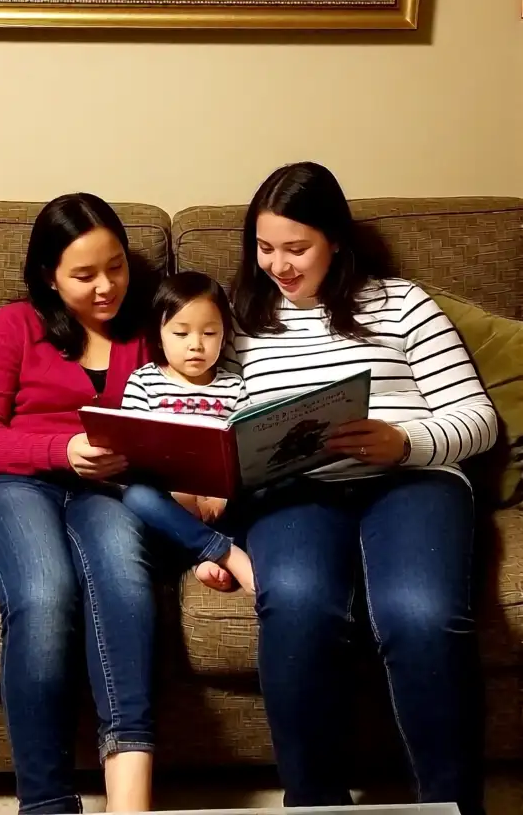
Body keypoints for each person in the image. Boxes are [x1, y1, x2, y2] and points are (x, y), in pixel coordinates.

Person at [224, 162, 497, 815]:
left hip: (411, 480)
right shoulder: (241, 320)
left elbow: (478, 418)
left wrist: (404, 442)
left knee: (419, 614)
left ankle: (453, 804)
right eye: (265, 248)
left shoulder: (402, 303)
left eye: (297, 249)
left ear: (336, 241)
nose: (279, 266)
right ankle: (315, 803)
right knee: (298, 602)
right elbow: (217, 410)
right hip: (296, 491)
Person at [0, 193, 156, 815]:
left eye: (116, 267)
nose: (106, 287)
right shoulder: (13, 325)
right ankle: (45, 804)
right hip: (12, 482)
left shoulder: (151, 328)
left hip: (108, 490)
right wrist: (61, 449)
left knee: (124, 583)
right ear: (48, 274)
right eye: (84, 275)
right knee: (45, 595)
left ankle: (132, 795)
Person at [121, 271, 254, 594]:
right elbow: (134, 452)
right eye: (181, 333)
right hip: (169, 500)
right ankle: (221, 553)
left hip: (220, 500)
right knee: (136, 497)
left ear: (225, 336)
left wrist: (220, 495)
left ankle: (203, 557)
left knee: (265, 494)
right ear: (159, 334)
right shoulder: (143, 382)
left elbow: (246, 450)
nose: (196, 345)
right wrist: (184, 495)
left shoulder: (234, 386)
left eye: (210, 333)